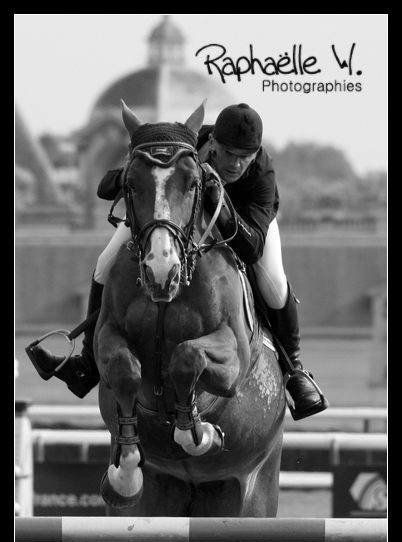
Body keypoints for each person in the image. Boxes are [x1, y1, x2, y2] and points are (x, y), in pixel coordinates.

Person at [31, 103, 328, 420]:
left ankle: (294, 372)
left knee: (275, 285)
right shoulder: (187, 143)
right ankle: (87, 364)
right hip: (173, 216)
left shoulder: (262, 172)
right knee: (105, 263)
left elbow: (252, 247)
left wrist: (221, 207)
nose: (237, 164)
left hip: (246, 225)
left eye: (246, 156)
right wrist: (132, 175)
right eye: (229, 153)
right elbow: (113, 184)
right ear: (212, 142)